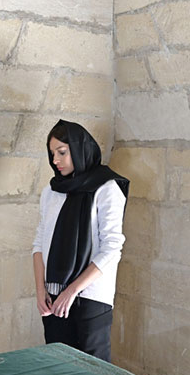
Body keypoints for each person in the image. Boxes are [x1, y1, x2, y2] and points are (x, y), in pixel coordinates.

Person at [32, 119, 129, 362]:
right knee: (58, 371)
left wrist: (72, 290)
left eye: (62, 152)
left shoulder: (107, 188)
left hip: (91, 297)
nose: (55, 160)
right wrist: (40, 290)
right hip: (53, 297)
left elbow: (112, 248)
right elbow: (39, 243)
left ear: (79, 148)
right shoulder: (51, 191)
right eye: (52, 154)